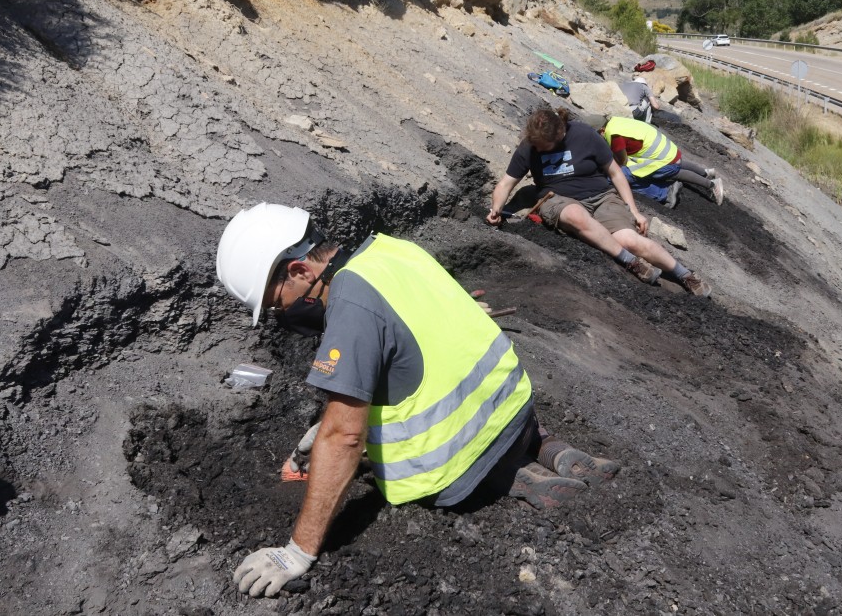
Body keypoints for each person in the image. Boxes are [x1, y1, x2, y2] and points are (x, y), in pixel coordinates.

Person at [216, 203, 619, 598]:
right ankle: (546, 446)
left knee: (395, 467)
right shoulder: (391, 251)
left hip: (461, 463)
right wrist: (326, 425)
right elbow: (414, 350)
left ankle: (516, 480)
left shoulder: (349, 306)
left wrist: (296, 552)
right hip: (514, 407)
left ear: (300, 271)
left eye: (276, 302)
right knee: (494, 429)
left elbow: (345, 439)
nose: (280, 314)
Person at [486, 106, 712, 297]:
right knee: (575, 215)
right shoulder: (530, 146)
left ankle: (685, 275)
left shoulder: (584, 134)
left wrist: (634, 211)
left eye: (545, 146)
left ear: (561, 133)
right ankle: (631, 262)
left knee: (630, 239)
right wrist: (496, 208)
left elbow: (615, 173)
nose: (538, 149)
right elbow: (506, 183)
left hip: (602, 197)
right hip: (557, 199)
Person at [582, 114, 724, 209]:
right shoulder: (615, 122)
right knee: (676, 163)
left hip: (663, 158)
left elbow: (622, 161)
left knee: (623, 176)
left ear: (601, 130)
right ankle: (705, 172)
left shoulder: (614, 135)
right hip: (666, 149)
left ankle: (710, 185)